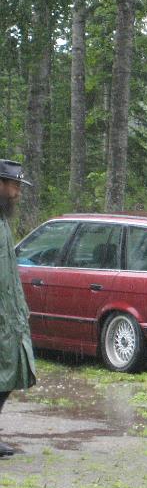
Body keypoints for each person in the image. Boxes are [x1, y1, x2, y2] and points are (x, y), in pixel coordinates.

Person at [0, 159, 37, 457]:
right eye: (14, 186)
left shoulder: (2, 220)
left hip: (8, 313)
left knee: (12, 369)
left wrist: (19, 308)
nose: (17, 193)